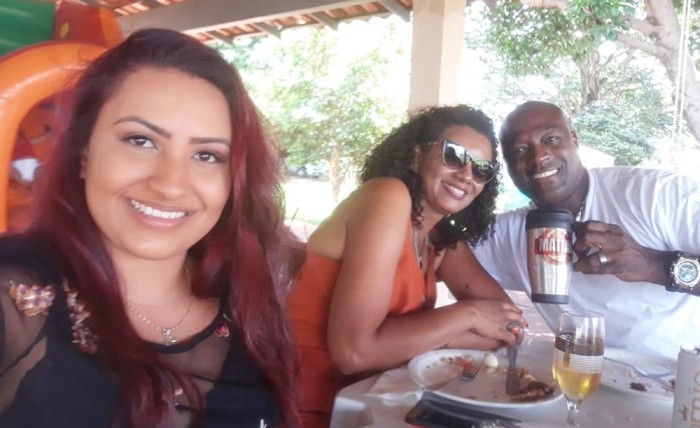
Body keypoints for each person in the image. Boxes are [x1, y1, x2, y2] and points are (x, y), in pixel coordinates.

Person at [0, 29, 303, 427]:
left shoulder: (249, 299)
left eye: (207, 155)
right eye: (140, 140)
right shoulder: (14, 294)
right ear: (84, 153)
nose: (170, 184)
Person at [288, 105, 527, 427]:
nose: (467, 175)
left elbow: (509, 325)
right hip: (301, 407)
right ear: (417, 155)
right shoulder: (387, 196)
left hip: (375, 406)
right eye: (454, 155)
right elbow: (353, 353)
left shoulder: (437, 237)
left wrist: (426, 337)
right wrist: (467, 316)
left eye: (482, 169)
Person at [440, 100, 700, 359]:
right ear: (507, 166)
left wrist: (652, 264)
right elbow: (433, 256)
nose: (538, 157)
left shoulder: (656, 194)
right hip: (577, 376)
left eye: (551, 139)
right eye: (520, 150)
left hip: (679, 377)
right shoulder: (509, 234)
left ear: (574, 140)